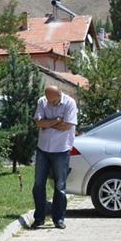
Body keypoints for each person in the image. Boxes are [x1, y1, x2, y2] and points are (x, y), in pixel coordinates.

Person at [31, 85, 77, 230]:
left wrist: (47, 123)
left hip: (61, 149)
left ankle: (59, 219)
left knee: (60, 186)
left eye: (54, 101)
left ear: (60, 94)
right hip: (43, 148)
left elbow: (67, 126)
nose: (51, 103)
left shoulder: (70, 103)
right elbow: (38, 122)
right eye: (49, 100)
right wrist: (56, 120)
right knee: (38, 185)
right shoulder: (42, 101)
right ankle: (39, 218)